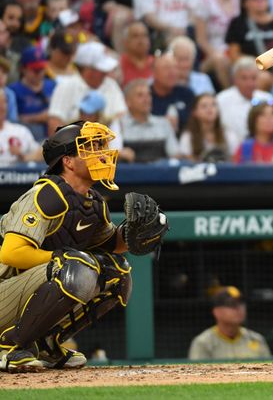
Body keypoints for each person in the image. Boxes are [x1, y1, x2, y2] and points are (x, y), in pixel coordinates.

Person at [0, 120, 167, 371]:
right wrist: (61, 257)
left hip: (28, 290)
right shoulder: (46, 194)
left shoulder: (94, 202)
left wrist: (133, 232)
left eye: (101, 146)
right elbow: (11, 252)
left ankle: (45, 344)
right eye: (91, 147)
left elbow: (110, 245)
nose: (102, 153)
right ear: (67, 161)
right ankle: (8, 346)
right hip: (6, 289)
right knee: (77, 267)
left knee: (116, 273)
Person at [47, 42, 127, 135]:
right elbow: (54, 123)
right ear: (88, 70)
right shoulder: (66, 85)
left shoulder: (110, 84)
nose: (106, 73)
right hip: (74, 145)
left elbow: (121, 116)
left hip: (109, 144)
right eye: (101, 70)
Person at [188, 286, 270, 361]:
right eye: (232, 304)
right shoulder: (203, 343)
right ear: (217, 312)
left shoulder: (257, 339)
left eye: (241, 303)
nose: (239, 308)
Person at [118, 79, 180, 163]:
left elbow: (175, 155)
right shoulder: (119, 125)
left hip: (160, 174)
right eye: (140, 95)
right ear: (127, 101)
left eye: (149, 94)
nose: (146, 99)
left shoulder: (164, 123)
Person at [217, 57, 272, 148]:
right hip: (231, 152)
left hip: (262, 151)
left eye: (253, 78)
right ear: (234, 79)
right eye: (244, 78)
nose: (250, 83)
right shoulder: (221, 100)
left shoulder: (267, 98)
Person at [10, 46, 55, 141]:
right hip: (28, 137)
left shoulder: (53, 85)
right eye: (35, 70)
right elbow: (11, 120)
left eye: (42, 69)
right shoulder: (13, 91)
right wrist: (37, 117)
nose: (39, 73)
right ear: (23, 69)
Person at [150, 53, 195, 134]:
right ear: (154, 72)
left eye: (175, 68)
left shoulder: (187, 94)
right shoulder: (146, 95)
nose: (172, 72)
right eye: (166, 68)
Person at [0, 90, 39, 165]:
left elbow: (41, 153)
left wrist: (23, 157)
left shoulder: (20, 131)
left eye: (4, 102)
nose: (1, 106)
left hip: (20, 175)